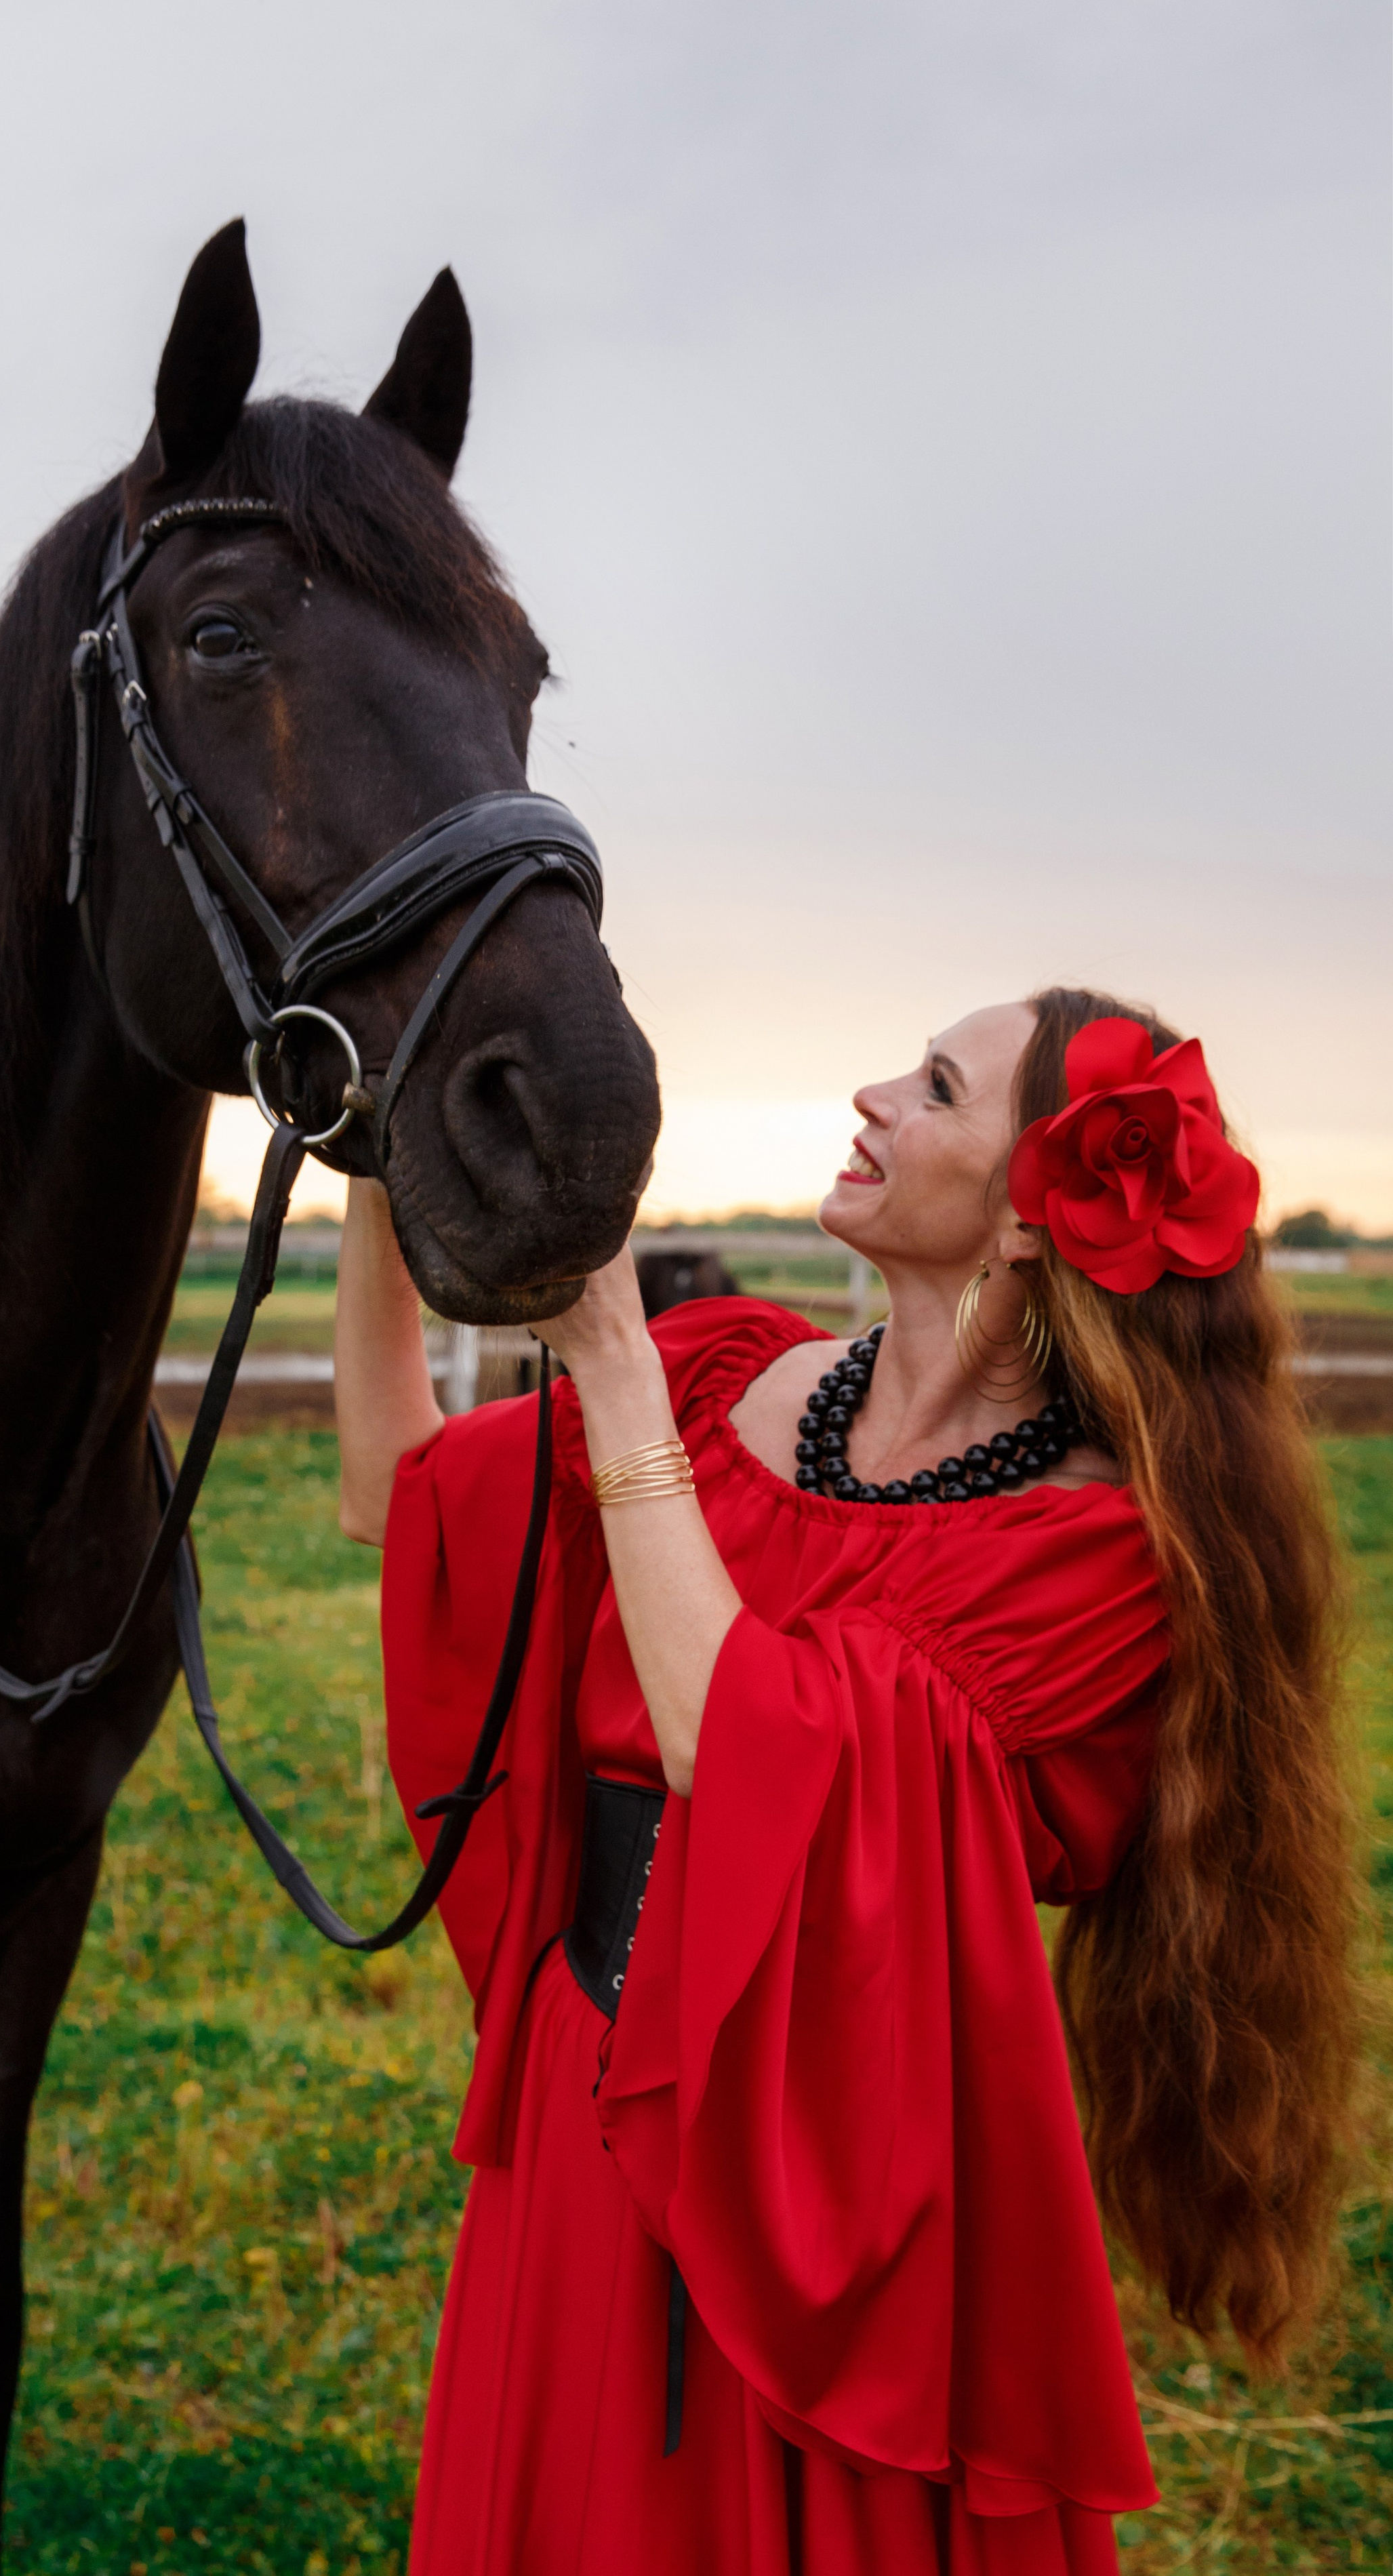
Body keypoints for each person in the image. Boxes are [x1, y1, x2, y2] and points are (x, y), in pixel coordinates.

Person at [332, 988, 1355, 2576]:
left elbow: (744, 1748)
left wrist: (603, 1367)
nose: (872, 1095)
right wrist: (380, 1172)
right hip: (592, 2083)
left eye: (936, 1086)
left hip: (846, 2172)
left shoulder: (1093, 1559)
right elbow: (389, 1499)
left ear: (1032, 1218)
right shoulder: (717, 1380)